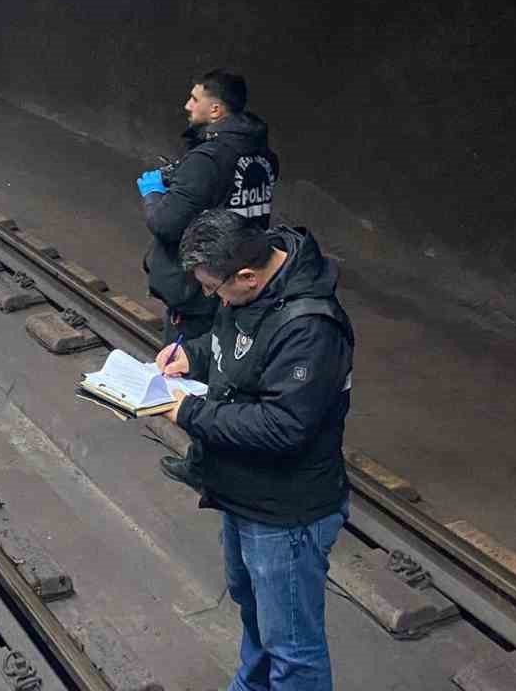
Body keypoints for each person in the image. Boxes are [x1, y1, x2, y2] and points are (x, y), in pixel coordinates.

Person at [156, 209, 354, 691]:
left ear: (246, 276)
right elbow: (238, 349)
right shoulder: (253, 290)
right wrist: (195, 354)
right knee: (258, 621)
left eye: (215, 288)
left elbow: (284, 426)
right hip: (242, 494)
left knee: (292, 647)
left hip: (284, 512)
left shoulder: (311, 329)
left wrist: (187, 413)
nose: (211, 296)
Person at [140, 70, 278, 344]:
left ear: (215, 109)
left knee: (185, 366)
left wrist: (153, 194)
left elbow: (166, 224)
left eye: (194, 99)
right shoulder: (262, 154)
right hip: (240, 279)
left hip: (201, 287)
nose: (187, 105)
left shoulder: (207, 159)